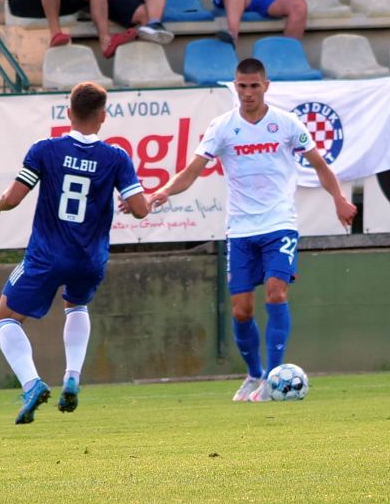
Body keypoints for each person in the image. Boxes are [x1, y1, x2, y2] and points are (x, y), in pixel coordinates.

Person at [149, 58, 357, 402]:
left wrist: (338, 198)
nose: (247, 93)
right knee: (241, 310)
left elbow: (320, 165)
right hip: (241, 228)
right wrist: (163, 192)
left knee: (276, 292)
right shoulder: (222, 127)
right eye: (242, 86)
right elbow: (191, 171)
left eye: (254, 86)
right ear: (235, 87)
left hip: (279, 224)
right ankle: (254, 374)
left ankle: (273, 380)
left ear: (266, 86)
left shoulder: (286, 124)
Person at [0, 81, 150, 424]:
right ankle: (72, 376)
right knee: (76, 304)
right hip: (90, 259)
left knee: (5, 316)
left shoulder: (45, 149)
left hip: (46, 256)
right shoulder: (116, 157)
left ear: (68, 112)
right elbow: (140, 209)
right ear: (103, 117)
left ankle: (32, 383)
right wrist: (130, 202)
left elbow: (14, 198)